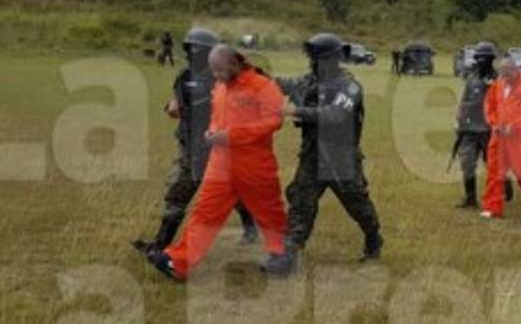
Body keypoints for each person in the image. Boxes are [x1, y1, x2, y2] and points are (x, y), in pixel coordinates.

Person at [148, 45, 289, 281]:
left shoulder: (263, 85)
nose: (215, 75)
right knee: (205, 212)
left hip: (255, 164)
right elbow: (216, 117)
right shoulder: (221, 86)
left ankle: (281, 255)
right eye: (212, 71)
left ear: (235, 63)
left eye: (219, 70)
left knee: (269, 211)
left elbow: (274, 121)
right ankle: (179, 262)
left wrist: (233, 136)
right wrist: (212, 132)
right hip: (220, 163)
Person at [132, 27, 258, 257]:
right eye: (191, 49)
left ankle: (251, 226)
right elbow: (179, 103)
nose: (194, 54)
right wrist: (173, 105)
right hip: (190, 148)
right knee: (177, 194)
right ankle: (160, 245)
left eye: (198, 50)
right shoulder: (184, 76)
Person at [267, 33, 383, 270]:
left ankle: (373, 237)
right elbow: (283, 84)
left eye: (316, 58)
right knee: (301, 203)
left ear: (332, 59)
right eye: (311, 58)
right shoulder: (310, 81)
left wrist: (295, 111)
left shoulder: (349, 86)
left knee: (358, 206)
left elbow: (335, 114)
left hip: (341, 159)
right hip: (312, 157)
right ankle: (288, 255)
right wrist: (254, 78)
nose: (312, 62)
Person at [481, 56, 521, 218]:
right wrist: (494, 123)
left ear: (516, 70)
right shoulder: (498, 84)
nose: (505, 79)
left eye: (507, 75)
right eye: (502, 75)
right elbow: (489, 105)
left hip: (520, 136)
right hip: (498, 135)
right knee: (494, 171)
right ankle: (492, 208)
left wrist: (514, 126)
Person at [451, 41, 497, 209]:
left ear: (491, 59)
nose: (481, 61)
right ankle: (470, 198)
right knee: (467, 163)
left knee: (493, 164)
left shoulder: (498, 79)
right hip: (469, 128)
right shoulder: (471, 77)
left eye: (485, 58)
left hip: (489, 129)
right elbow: (465, 99)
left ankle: (503, 185)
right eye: (479, 58)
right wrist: (459, 118)